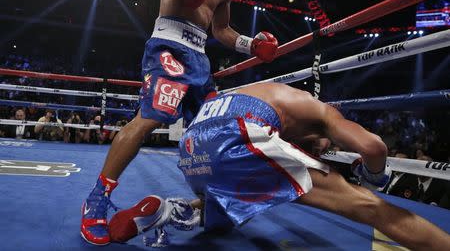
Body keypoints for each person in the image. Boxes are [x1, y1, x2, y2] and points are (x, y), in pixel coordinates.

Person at [81, 0, 279, 245]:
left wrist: (251, 45)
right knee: (151, 118)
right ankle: (96, 200)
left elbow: (222, 30)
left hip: (200, 60)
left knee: (213, 131)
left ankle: (211, 204)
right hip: (168, 48)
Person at [109, 83, 450, 249]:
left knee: (224, 218)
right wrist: (372, 177)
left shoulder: (266, 93)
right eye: (325, 145)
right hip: (237, 133)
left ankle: (167, 211)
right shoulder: (322, 111)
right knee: (371, 207)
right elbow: (373, 146)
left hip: (194, 146)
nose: (323, 150)